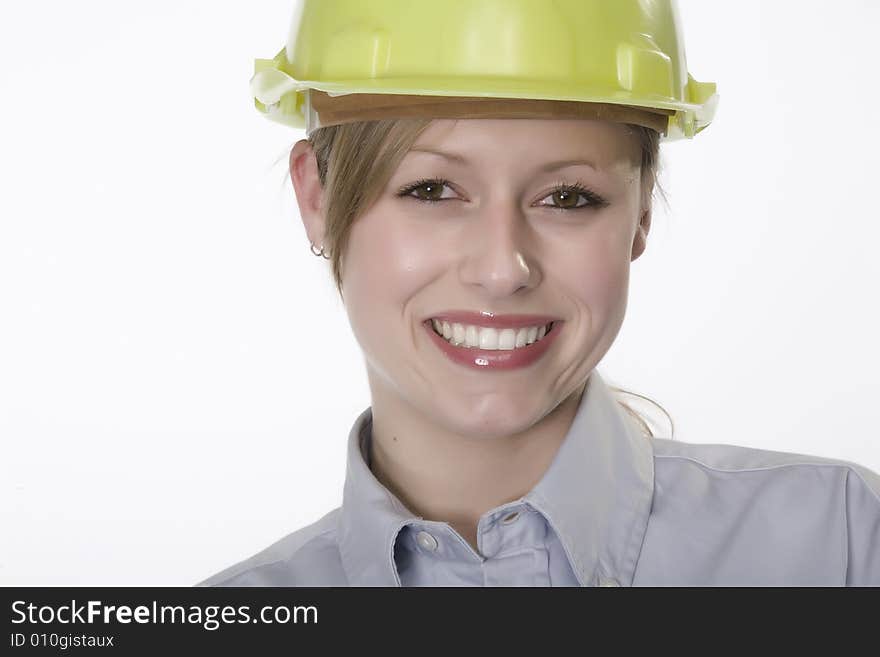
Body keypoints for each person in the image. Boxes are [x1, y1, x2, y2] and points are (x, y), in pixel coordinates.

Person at [199, 0, 879, 586]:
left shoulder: (842, 546)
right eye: (432, 190)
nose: (503, 268)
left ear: (640, 211)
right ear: (317, 198)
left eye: (568, 197)